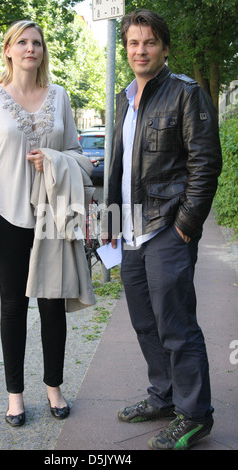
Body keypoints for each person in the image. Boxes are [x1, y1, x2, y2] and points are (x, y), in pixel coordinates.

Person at [0, 20, 94, 427]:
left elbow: (79, 156)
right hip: (6, 215)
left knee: (53, 306)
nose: (30, 48)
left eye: (36, 42)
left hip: (51, 216)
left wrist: (54, 159)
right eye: (22, 42)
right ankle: (15, 396)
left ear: (42, 51)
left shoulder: (60, 97)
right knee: (13, 306)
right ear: (8, 50)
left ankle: (54, 387)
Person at [102, 9, 222, 450]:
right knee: (145, 323)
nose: (140, 50)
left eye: (149, 42)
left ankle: (195, 414)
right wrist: (110, 223)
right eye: (133, 43)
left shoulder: (186, 93)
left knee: (176, 325)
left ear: (164, 48)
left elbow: (205, 165)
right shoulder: (124, 97)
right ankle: (164, 396)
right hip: (131, 231)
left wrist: (185, 228)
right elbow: (118, 167)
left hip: (167, 230)